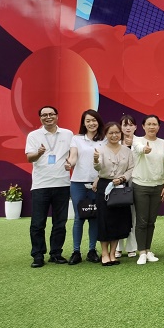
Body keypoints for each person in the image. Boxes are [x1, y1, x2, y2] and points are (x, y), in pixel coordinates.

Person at [26, 105, 73, 268]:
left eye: (51, 114)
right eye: (44, 115)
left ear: (57, 116)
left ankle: (56, 253)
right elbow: (29, 158)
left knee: (60, 222)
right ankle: (38, 255)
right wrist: (39, 153)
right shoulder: (33, 135)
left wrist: (71, 163)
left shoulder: (68, 134)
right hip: (41, 185)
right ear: (40, 118)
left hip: (62, 184)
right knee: (38, 223)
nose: (48, 117)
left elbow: (74, 154)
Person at [66, 109, 105, 265]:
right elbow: (73, 157)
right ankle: (76, 252)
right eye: (88, 121)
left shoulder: (104, 140)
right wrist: (69, 164)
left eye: (94, 120)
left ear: (98, 122)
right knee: (79, 217)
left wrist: (98, 178)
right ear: (83, 123)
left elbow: (106, 163)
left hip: (97, 183)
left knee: (94, 217)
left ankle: (92, 250)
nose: (91, 123)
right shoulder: (77, 139)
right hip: (78, 183)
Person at [93, 122, 135, 266]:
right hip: (105, 186)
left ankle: (113, 253)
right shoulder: (100, 149)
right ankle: (104, 253)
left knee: (118, 220)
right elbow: (98, 167)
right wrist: (95, 160)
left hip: (120, 187)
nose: (114, 135)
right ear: (106, 134)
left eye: (117, 132)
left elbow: (131, 168)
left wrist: (122, 178)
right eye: (111, 133)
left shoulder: (127, 150)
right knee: (104, 220)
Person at [131, 114, 164, 265]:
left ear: (159, 127)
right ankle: (141, 252)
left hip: (158, 186)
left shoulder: (163, 143)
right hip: (140, 185)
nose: (152, 127)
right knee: (142, 220)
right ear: (143, 126)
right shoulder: (137, 140)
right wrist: (144, 149)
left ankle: (148, 250)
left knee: (151, 221)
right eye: (149, 124)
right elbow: (139, 149)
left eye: (155, 124)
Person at [116, 114, 138, 258]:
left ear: (135, 127)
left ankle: (131, 247)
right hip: (118, 182)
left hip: (135, 181)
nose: (128, 128)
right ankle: (117, 247)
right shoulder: (115, 142)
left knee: (133, 215)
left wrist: (133, 145)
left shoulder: (140, 142)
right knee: (118, 214)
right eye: (125, 125)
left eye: (130, 124)